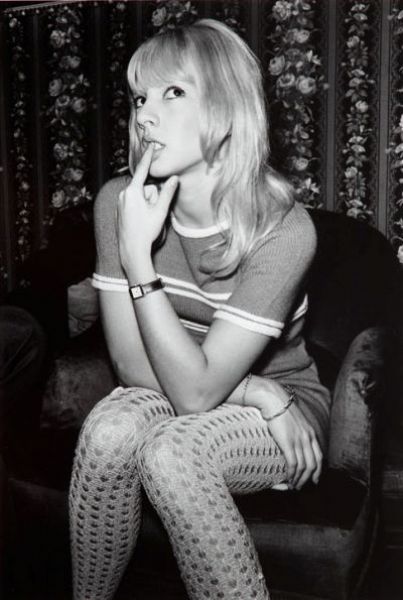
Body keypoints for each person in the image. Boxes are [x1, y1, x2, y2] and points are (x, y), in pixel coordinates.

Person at [69, 19, 331, 600]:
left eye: (173, 92)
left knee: (173, 453)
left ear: (227, 110)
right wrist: (255, 390)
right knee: (108, 431)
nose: (144, 115)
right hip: (195, 385)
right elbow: (131, 365)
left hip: (284, 410)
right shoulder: (119, 203)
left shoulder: (284, 231)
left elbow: (196, 397)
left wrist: (139, 262)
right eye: (140, 97)